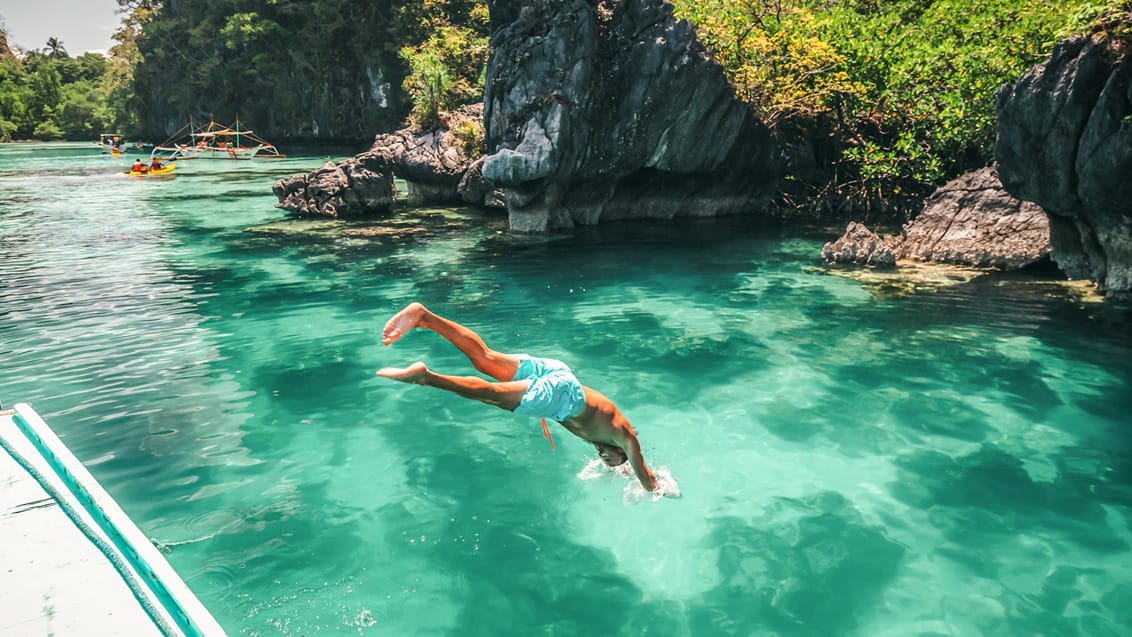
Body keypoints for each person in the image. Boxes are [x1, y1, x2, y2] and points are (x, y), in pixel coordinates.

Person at [377, 302, 660, 492]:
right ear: (622, 451)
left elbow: (621, 462)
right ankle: (426, 377)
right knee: (492, 394)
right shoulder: (627, 439)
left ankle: (423, 316)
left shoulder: (611, 434)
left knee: (485, 359)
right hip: (564, 397)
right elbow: (646, 479)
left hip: (559, 375)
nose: (601, 455)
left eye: (603, 459)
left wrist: (618, 469)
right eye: (608, 458)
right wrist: (662, 489)